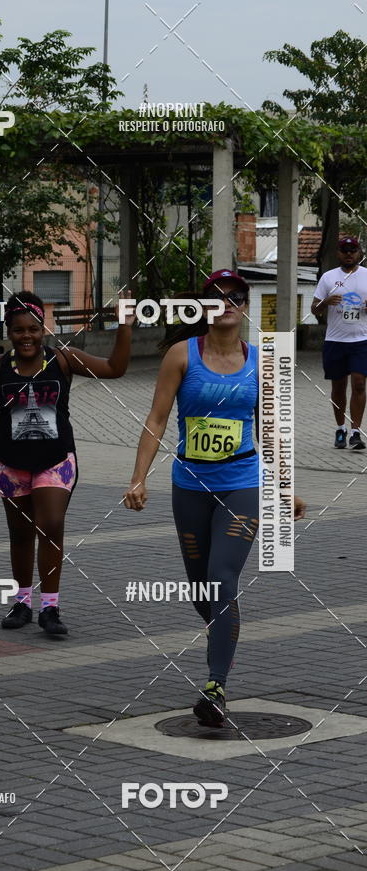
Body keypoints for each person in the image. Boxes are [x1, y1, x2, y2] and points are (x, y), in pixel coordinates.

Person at [124, 269, 306, 727]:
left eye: (233, 297)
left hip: (243, 483)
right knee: (202, 588)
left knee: (222, 578)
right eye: (215, 296)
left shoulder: (262, 362)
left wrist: (284, 489)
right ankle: (222, 633)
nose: (224, 303)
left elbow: (273, 432)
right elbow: (158, 419)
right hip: (189, 486)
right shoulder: (180, 355)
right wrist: (138, 478)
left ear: (245, 306)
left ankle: (215, 686)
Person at [0, 291, 134, 636]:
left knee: (51, 525)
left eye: (33, 329)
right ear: (9, 332)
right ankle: (22, 603)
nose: (26, 336)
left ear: (43, 329)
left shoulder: (63, 359)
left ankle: (50, 608)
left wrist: (124, 326)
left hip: (54, 461)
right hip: (10, 462)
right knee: (20, 534)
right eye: (18, 330)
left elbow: (115, 369)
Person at [311, 236, 367, 450]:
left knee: (360, 383)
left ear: (359, 253)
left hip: (362, 340)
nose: (349, 253)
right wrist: (325, 302)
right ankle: (340, 428)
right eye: (345, 250)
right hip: (335, 340)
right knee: (338, 387)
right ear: (338, 253)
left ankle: (355, 432)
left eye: (353, 250)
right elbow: (314, 309)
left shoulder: (366, 276)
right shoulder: (328, 277)